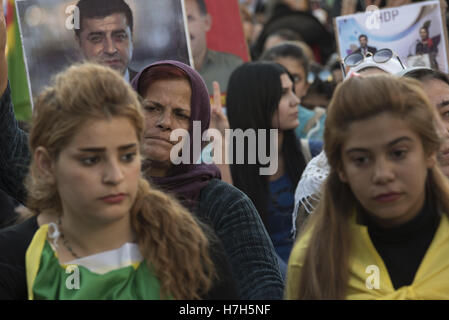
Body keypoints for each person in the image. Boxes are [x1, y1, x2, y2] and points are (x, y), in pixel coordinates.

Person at [0, 62, 237, 300]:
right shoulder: (13, 258)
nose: (115, 176)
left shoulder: (191, 250)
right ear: (46, 164)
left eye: (127, 156)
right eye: (91, 160)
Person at [131, 60, 284, 300]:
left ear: (197, 127)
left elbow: (262, 284)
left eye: (180, 114)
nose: (165, 122)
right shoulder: (109, 194)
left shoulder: (225, 203)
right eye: (152, 108)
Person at [286, 75, 449, 299]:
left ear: (429, 152)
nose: (382, 175)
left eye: (398, 153)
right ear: (340, 168)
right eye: (361, 160)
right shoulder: (313, 260)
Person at [225, 61, 322, 270]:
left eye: (293, 91)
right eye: (284, 94)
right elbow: (231, 233)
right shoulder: (227, 167)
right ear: (256, 101)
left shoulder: (314, 156)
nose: (296, 101)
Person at [260, 42, 326, 141]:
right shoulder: (242, 128)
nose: (287, 83)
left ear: (306, 87)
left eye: (295, 79)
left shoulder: (319, 124)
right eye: (278, 77)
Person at [185, 0, 244, 94]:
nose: (183, 28)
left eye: (189, 18)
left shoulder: (233, 68)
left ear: (207, 22)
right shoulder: (159, 72)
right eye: (177, 20)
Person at [75, 0, 137, 82]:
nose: (111, 50)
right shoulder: (63, 94)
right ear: (79, 43)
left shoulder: (151, 90)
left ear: (131, 38)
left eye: (119, 36)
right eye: (96, 39)